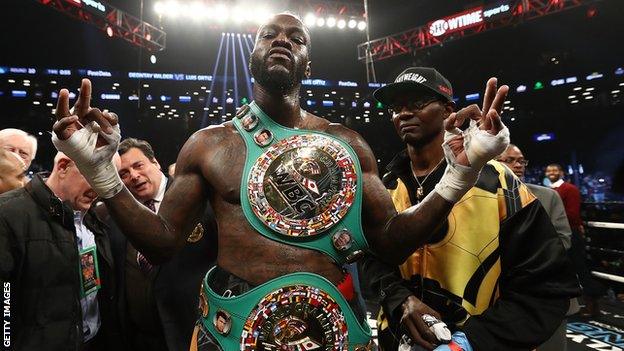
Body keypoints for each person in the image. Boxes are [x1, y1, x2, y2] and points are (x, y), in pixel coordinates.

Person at [51, 14, 511, 350]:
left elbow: (389, 244)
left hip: (333, 333)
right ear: (252, 55)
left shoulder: (348, 143)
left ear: (308, 62)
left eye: (296, 37)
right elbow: (163, 243)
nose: (281, 41)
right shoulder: (208, 145)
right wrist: (102, 174)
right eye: (268, 34)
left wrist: (459, 175)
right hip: (232, 332)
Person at [360, 67, 580, 351]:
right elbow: (369, 261)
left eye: (417, 104)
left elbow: (547, 287)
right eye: (395, 107)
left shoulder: (499, 182)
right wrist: (399, 299)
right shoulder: (385, 186)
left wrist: (470, 342)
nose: (403, 113)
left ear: (447, 110)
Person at [0, 152, 123, 351]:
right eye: (96, 177)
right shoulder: (7, 214)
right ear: (64, 167)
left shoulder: (93, 219)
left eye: (107, 180)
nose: (101, 189)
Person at [105, 138, 217, 350]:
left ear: (155, 162)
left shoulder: (199, 201)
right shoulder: (115, 219)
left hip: (194, 333)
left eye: (138, 165)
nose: (134, 176)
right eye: (124, 173)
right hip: (140, 339)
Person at [498, 144, 576, 351]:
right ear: (493, 163)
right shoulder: (478, 199)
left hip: (544, 295)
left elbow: (564, 240)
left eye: (521, 160)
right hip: (497, 298)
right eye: (510, 160)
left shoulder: (548, 196)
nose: (518, 165)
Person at [545, 163, 605, 317]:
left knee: (580, 268)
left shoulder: (569, 189)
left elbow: (572, 214)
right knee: (562, 270)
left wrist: (548, 219)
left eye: (555, 170)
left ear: (561, 173)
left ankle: (593, 305)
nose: (551, 172)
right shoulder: (549, 191)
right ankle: (569, 305)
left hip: (570, 233)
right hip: (555, 234)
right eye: (549, 170)